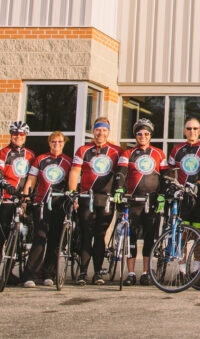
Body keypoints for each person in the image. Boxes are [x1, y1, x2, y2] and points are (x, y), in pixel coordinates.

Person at [67, 116, 122, 285]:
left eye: (104, 130)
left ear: (108, 132)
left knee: (100, 235)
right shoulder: (83, 149)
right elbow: (75, 171)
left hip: (106, 198)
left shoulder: (116, 151)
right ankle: (83, 272)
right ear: (93, 131)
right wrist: (72, 192)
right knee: (86, 234)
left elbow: (121, 173)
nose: (101, 133)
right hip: (87, 197)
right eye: (98, 129)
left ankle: (98, 272)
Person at [113, 119, 167, 286]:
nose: (142, 136)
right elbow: (121, 172)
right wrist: (119, 188)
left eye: (146, 134)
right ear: (135, 135)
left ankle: (145, 272)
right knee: (132, 237)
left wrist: (162, 195)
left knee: (150, 237)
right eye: (139, 134)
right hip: (133, 200)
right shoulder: (127, 153)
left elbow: (164, 177)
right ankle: (130, 273)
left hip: (151, 201)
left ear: (150, 135)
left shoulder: (159, 154)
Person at [22, 131, 72, 287]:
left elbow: (72, 182)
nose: (56, 145)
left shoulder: (68, 161)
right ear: (49, 143)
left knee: (55, 239)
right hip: (42, 203)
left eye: (59, 142)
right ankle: (30, 274)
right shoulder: (40, 159)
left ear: (64, 143)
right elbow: (31, 180)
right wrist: (26, 198)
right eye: (53, 142)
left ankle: (48, 273)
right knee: (39, 237)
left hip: (59, 204)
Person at [0, 120, 35, 287]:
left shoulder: (30, 155)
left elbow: (33, 177)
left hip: (22, 201)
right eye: (15, 134)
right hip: (6, 200)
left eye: (21, 135)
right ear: (11, 135)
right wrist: (6, 186)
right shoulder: (2, 154)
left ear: (25, 136)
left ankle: (10, 272)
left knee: (20, 238)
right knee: (1, 239)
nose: (18, 137)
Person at [167, 116, 200, 232]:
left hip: (199, 195)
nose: (192, 131)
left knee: (199, 232)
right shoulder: (176, 149)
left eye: (195, 128)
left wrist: (198, 184)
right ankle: (180, 251)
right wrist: (173, 185)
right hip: (182, 195)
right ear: (184, 131)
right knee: (181, 231)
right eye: (189, 128)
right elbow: (170, 172)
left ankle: (199, 250)